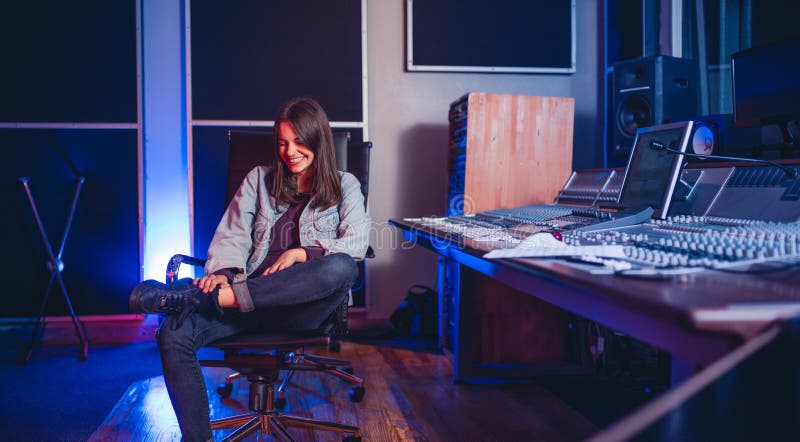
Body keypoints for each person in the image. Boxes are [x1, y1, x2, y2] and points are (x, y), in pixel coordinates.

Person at [129, 97, 370, 441]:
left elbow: (358, 242)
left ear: (318, 141)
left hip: (301, 311)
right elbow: (232, 236)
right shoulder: (259, 180)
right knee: (173, 334)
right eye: (283, 143)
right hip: (241, 301)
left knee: (343, 268)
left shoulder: (344, 185)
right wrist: (224, 274)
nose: (290, 151)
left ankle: (195, 297)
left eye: (300, 142)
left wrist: (302, 253)